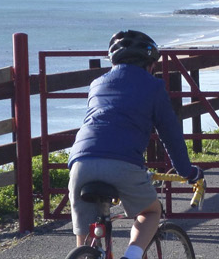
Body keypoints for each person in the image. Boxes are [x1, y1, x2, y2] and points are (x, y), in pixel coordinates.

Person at [69, 30, 206, 259]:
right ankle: (131, 256)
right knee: (152, 212)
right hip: (123, 163)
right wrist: (187, 172)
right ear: (149, 64)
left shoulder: (97, 84)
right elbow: (171, 135)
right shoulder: (153, 87)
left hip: (80, 163)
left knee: (86, 233)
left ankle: (87, 253)